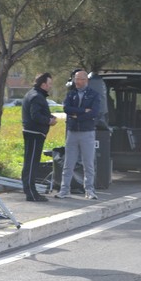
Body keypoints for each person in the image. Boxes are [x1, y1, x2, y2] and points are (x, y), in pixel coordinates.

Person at [55, 69, 101, 200]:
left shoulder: (94, 95)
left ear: (85, 80)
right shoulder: (71, 94)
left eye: (79, 79)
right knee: (68, 163)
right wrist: (82, 112)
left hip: (87, 133)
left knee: (88, 163)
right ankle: (64, 190)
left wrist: (76, 116)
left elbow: (94, 113)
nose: (76, 81)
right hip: (72, 132)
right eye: (75, 78)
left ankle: (90, 190)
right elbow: (66, 108)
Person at [21, 72, 58, 202]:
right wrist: (49, 121)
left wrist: (49, 117)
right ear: (43, 84)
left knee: (30, 162)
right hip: (34, 134)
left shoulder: (34, 94)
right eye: (49, 84)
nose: (50, 86)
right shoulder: (36, 97)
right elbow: (35, 115)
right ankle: (31, 192)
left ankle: (31, 191)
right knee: (31, 164)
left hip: (33, 133)